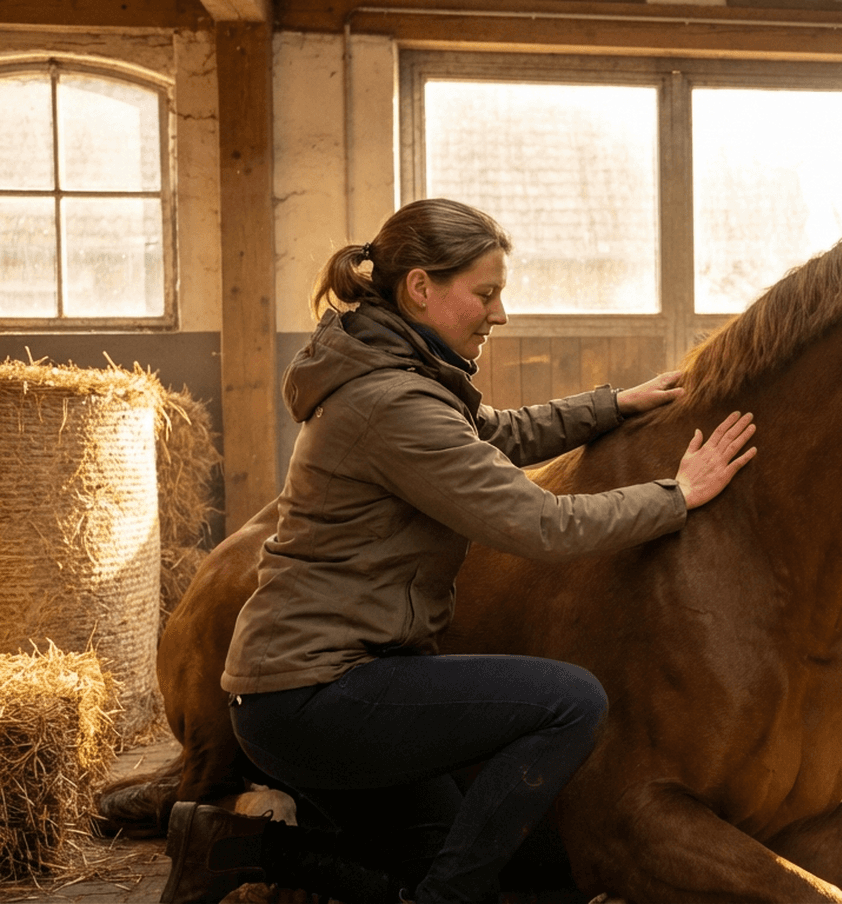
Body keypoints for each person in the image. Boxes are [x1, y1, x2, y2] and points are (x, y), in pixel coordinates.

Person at [160, 198, 757, 904]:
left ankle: (236, 847)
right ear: (421, 287)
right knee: (570, 701)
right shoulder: (392, 402)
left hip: (316, 687)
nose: (499, 314)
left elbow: (496, 433)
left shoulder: (400, 373)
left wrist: (612, 406)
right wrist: (676, 496)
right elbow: (542, 526)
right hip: (317, 694)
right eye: (486, 293)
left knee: (458, 867)